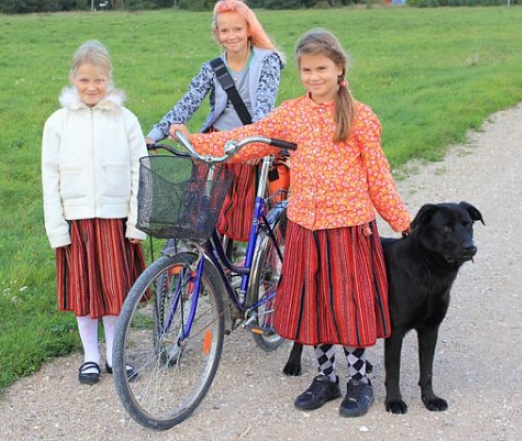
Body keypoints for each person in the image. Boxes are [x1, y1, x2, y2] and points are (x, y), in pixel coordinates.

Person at [169, 27, 412, 418]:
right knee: (315, 303)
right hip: (305, 225)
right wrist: (196, 141)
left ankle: (359, 378)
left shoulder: (361, 118)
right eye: (307, 70)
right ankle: (326, 376)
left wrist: (403, 222)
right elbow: (248, 137)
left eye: (322, 68)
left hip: (348, 226)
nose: (314, 77)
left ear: (339, 70)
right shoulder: (292, 114)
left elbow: (378, 177)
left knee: (347, 306)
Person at [41, 39, 147, 386]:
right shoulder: (57, 122)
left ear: (109, 80)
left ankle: (115, 355)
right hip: (78, 222)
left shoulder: (125, 120)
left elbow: (139, 170)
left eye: (99, 80)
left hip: (116, 220)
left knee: (116, 293)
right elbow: (50, 175)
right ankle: (90, 355)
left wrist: (137, 222)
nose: (91, 87)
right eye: (85, 80)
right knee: (85, 293)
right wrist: (57, 228)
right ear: (73, 78)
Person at [145, 0, 285, 251]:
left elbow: (265, 108)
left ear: (249, 29)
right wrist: (155, 135)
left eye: (237, 29)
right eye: (225, 30)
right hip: (216, 141)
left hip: (249, 142)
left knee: (246, 217)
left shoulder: (268, 61)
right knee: (199, 210)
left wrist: (256, 145)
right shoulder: (212, 68)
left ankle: (253, 273)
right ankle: (193, 271)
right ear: (217, 34)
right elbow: (188, 103)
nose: (231, 36)